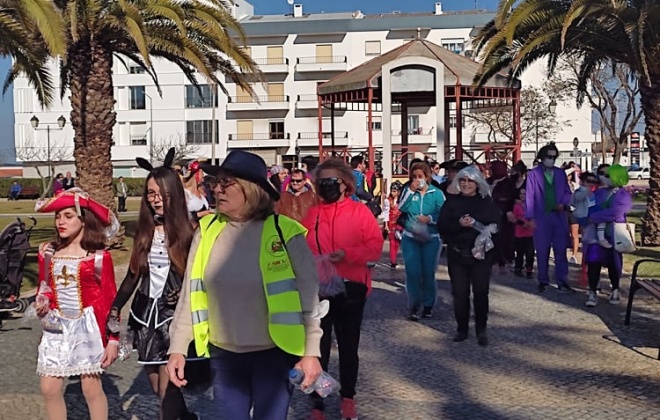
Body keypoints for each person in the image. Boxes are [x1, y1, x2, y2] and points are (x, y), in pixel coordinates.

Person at [167, 150, 323, 420]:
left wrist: (311, 352)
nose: (217, 189)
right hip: (223, 356)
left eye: (226, 183)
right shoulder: (206, 231)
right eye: (216, 182)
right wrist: (178, 347)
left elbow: (309, 299)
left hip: (274, 355)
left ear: (251, 189)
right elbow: (189, 296)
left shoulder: (285, 232)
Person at [108, 151, 198, 420]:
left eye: (161, 193)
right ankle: (187, 418)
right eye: (150, 193)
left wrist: (183, 292)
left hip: (173, 317)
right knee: (156, 385)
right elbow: (134, 275)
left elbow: (198, 276)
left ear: (175, 194)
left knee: (166, 387)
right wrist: (114, 307)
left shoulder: (192, 230)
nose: (155, 199)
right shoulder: (144, 230)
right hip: (145, 315)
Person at [302, 158, 383, 420]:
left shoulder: (359, 212)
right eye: (321, 182)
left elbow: (374, 246)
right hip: (319, 290)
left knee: (348, 347)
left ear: (345, 184)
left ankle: (348, 397)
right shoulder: (312, 214)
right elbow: (300, 247)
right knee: (317, 347)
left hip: (351, 288)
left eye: (331, 181)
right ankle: (318, 402)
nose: (326, 186)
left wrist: (346, 254)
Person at [33, 188, 120, 420]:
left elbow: (111, 299)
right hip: (56, 327)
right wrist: (42, 301)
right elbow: (46, 288)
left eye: (68, 216)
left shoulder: (99, 258)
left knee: (90, 389)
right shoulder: (48, 253)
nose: (61, 222)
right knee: (49, 388)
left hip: (87, 328)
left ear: (83, 219)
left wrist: (113, 340)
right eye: (58, 216)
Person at [438, 166, 501, 346]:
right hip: (458, 253)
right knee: (460, 293)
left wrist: (488, 231)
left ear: (477, 183)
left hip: (481, 256)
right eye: (463, 180)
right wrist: (458, 224)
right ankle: (462, 329)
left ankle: (481, 329)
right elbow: (442, 227)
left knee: (481, 293)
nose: (466, 184)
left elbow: (497, 225)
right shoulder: (451, 203)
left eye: (470, 181)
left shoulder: (486, 202)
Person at [399, 162, 446, 321]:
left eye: (420, 176)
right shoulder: (408, 191)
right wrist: (411, 191)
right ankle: (414, 304)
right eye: (414, 177)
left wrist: (430, 219)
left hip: (431, 238)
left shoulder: (437, 193)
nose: (417, 180)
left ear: (427, 177)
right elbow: (401, 208)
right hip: (410, 237)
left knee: (428, 272)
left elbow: (445, 214)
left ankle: (428, 305)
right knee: (412, 272)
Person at [525, 143, 574, 293]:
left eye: (554, 157)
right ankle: (543, 280)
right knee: (541, 250)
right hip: (541, 216)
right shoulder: (533, 174)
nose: (551, 160)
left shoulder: (560, 173)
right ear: (542, 157)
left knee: (560, 250)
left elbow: (567, 192)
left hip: (558, 216)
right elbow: (530, 196)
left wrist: (564, 204)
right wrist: (530, 217)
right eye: (549, 157)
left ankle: (562, 280)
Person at [583, 164, 633, 307]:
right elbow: (589, 207)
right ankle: (592, 291)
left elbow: (616, 213)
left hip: (614, 233)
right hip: (595, 234)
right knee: (593, 262)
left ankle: (615, 289)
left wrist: (595, 216)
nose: (604, 177)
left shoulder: (624, 194)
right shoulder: (598, 192)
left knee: (613, 264)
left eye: (608, 175)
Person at [489, 160, 517, 274]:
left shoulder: (509, 183)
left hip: (503, 215)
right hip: (489, 214)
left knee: (503, 239)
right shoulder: (488, 181)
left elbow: (509, 199)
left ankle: (504, 260)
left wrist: (506, 209)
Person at [568, 172, 598, 263]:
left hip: (591, 219)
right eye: (589, 181)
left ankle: (586, 261)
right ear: (583, 181)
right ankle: (575, 255)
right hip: (579, 217)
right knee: (576, 236)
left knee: (589, 242)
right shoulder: (579, 192)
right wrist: (587, 190)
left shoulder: (594, 193)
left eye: (593, 181)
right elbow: (576, 199)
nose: (591, 183)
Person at [181, 160, 213, 228]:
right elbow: (180, 216)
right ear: (196, 174)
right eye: (201, 172)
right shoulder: (185, 194)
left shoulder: (201, 193)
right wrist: (200, 214)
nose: (204, 175)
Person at [512, 188, 535, 279]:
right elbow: (514, 219)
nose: (522, 196)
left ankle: (529, 269)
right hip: (520, 233)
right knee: (520, 253)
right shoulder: (516, 206)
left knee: (530, 253)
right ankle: (518, 268)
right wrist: (522, 223)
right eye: (521, 194)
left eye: (524, 194)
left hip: (530, 233)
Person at [384, 181, 404, 269]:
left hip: (400, 223)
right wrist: (386, 225)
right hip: (391, 223)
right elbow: (385, 213)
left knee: (398, 242)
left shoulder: (402, 201)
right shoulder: (387, 200)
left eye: (395, 191)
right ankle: (393, 261)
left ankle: (395, 258)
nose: (393, 192)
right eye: (392, 190)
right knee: (392, 242)